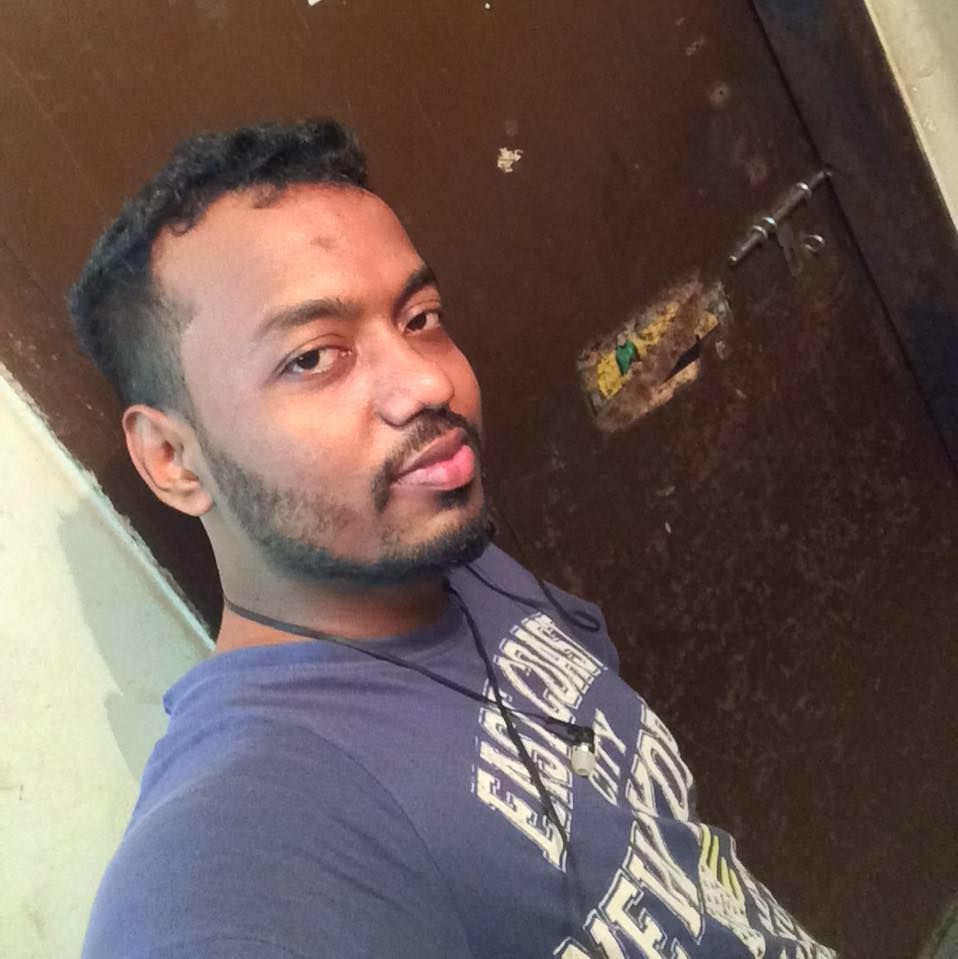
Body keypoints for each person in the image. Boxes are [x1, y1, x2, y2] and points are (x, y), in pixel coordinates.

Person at [70, 119, 835, 959]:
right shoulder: (245, 838)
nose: (429, 380)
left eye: (421, 316)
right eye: (315, 357)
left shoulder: (449, 556)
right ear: (173, 458)